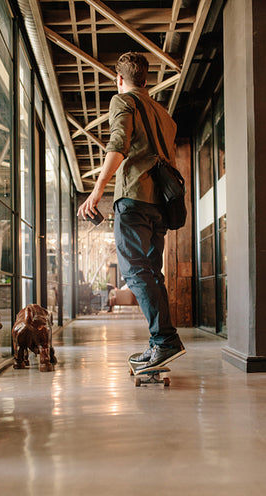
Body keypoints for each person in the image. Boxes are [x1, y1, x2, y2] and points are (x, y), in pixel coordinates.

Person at [77, 51, 185, 372]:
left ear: (119, 80)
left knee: (136, 272)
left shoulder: (122, 101)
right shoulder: (165, 115)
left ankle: (165, 341)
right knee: (151, 273)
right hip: (160, 205)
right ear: (146, 80)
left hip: (135, 199)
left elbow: (118, 144)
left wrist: (97, 192)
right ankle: (158, 345)